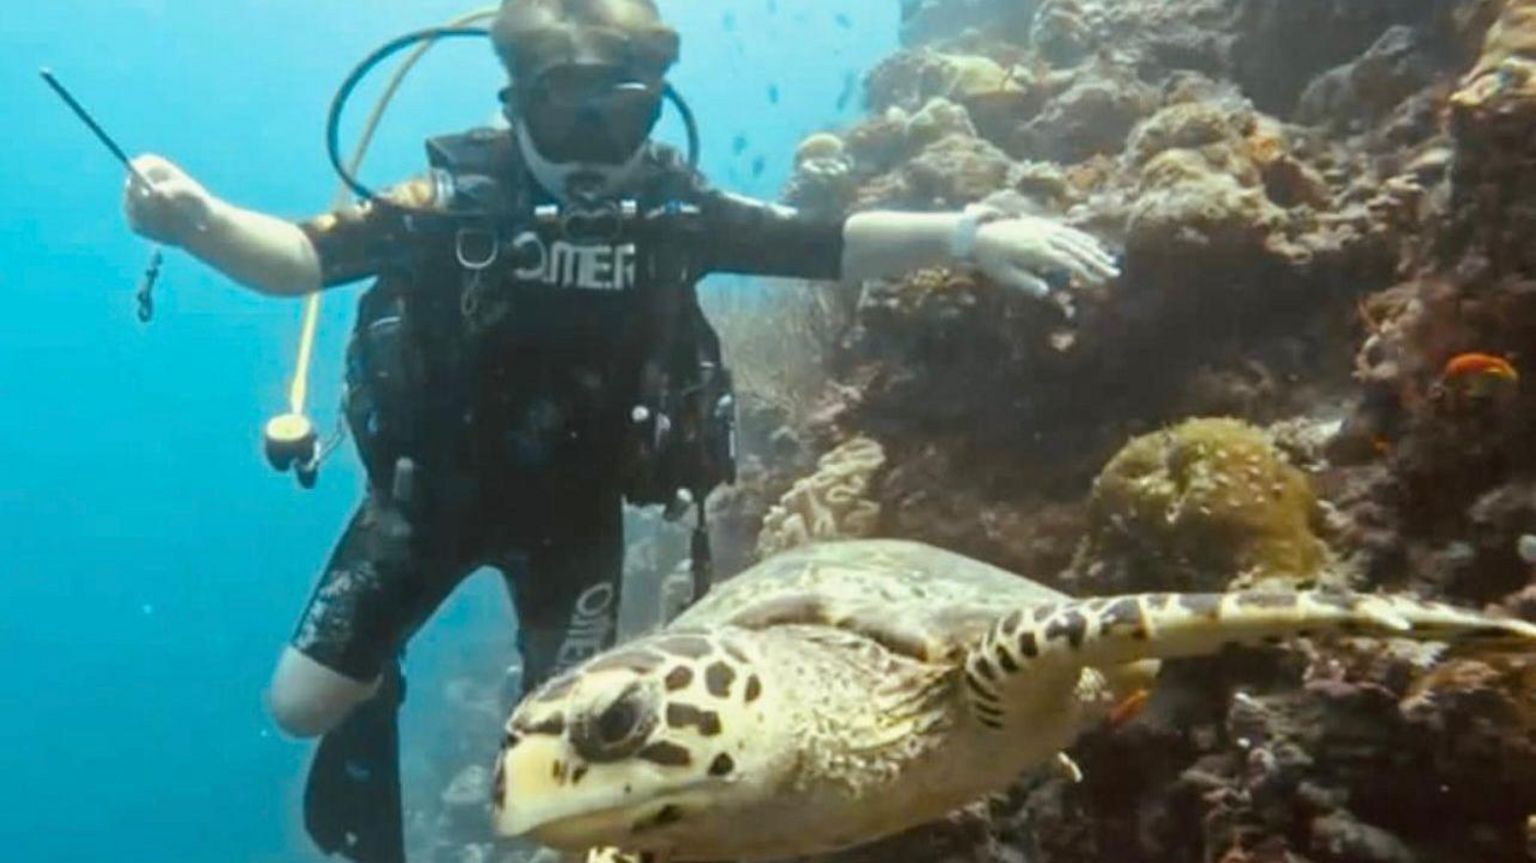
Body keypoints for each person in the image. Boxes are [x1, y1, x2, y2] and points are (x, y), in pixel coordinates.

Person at [121, 1, 1120, 860]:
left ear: (654, 109)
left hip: (576, 514)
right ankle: (372, 701)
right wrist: (200, 219)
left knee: (592, 744)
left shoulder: (670, 209)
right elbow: (298, 258)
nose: (599, 149)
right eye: (568, 115)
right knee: (299, 706)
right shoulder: (450, 204)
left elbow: (826, 243)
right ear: (516, 109)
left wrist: (969, 235)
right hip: (424, 501)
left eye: (625, 117)